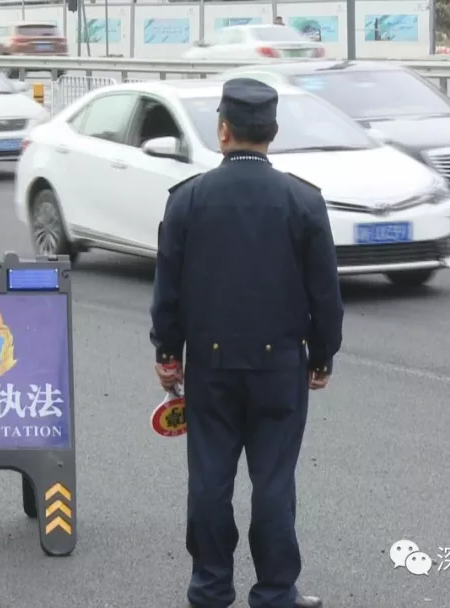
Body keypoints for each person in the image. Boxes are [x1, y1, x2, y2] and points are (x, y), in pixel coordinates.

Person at [150, 78, 344, 608]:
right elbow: (325, 293)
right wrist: (322, 354)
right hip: (280, 365)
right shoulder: (304, 201)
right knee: (274, 480)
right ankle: (276, 590)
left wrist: (167, 352)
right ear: (273, 132)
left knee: (210, 479)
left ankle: (210, 586)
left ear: (223, 130)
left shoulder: (188, 200)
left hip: (210, 365)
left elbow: (168, 289)